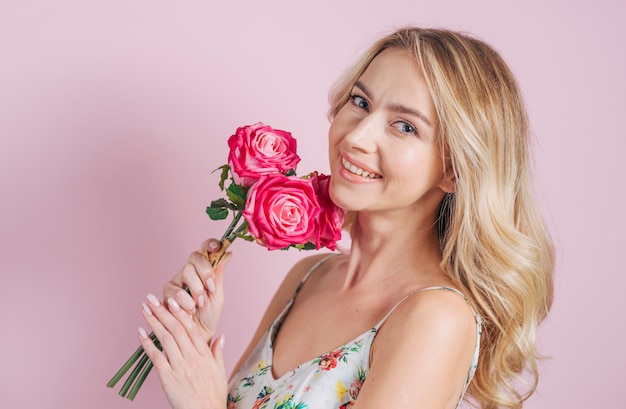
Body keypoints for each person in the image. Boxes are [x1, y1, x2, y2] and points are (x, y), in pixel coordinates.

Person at [137, 27, 554, 409]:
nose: (356, 136)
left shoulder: (437, 318)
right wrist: (194, 341)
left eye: (405, 127)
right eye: (360, 102)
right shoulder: (308, 275)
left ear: (453, 171)